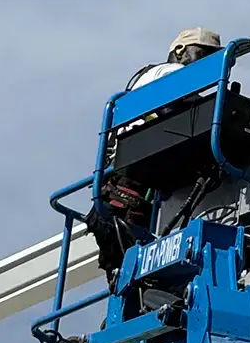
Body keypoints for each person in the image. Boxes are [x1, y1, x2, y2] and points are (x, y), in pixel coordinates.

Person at [87, 28, 222, 288]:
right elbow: (184, 113)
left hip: (125, 195)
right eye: (203, 55)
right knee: (139, 281)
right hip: (127, 197)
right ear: (180, 51)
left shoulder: (152, 83)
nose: (208, 65)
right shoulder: (167, 74)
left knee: (133, 283)